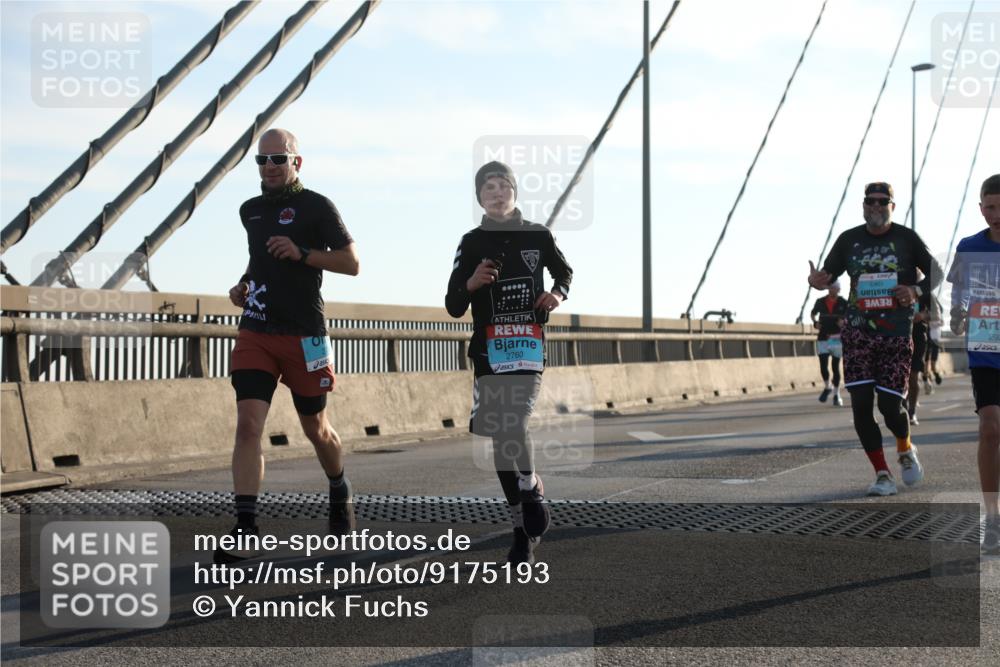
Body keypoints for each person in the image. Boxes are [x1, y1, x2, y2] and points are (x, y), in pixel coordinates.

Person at [219, 128, 360, 562]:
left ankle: (339, 488)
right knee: (247, 425)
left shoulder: (317, 206)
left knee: (315, 429)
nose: (270, 167)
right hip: (256, 330)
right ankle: (246, 528)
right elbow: (258, 261)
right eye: (262, 160)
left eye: (278, 158)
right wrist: (243, 286)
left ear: (297, 162)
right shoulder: (251, 211)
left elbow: (351, 263)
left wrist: (302, 253)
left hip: (305, 336)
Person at [446, 161, 573, 564]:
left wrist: (556, 295)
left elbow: (565, 273)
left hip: (528, 347)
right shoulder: (470, 242)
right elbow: (452, 304)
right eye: (488, 188)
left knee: (514, 422)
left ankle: (531, 485)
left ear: (514, 192)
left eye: (503, 186)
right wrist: (471, 283)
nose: (496, 193)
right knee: (501, 438)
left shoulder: (539, 235)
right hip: (487, 351)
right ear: (479, 198)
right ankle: (521, 529)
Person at [808, 182, 941, 497]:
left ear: (893, 206)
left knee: (891, 406)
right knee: (862, 405)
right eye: (871, 201)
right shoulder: (849, 239)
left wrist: (915, 291)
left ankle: (905, 447)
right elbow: (827, 275)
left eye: (884, 202)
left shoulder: (906, 238)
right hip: (857, 332)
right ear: (863, 205)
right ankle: (882, 473)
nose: (876, 206)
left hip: (895, 333)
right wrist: (816, 282)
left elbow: (936, 270)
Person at [947, 173, 1000, 553]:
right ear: (981, 208)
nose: (996, 214)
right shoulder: (969, 247)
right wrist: (956, 315)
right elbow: (958, 293)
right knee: (990, 428)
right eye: (991, 207)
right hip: (986, 350)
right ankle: (992, 518)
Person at [810, 281, 847, 406]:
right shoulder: (820, 301)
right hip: (823, 337)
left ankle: (837, 394)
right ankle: (827, 386)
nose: (832, 290)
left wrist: (844, 322)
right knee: (823, 365)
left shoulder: (843, 302)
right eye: (831, 288)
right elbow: (813, 313)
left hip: (836, 338)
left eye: (835, 288)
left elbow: (851, 316)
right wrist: (815, 322)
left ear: (839, 289)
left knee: (835, 367)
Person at [907, 288, 931, 425]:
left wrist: (922, 316)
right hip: (898, 335)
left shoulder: (925, 293)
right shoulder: (896, 286)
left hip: (918, 338)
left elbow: (936, 316)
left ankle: (912, 411)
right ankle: (901, 408)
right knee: (901, 378)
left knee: (913, 376)